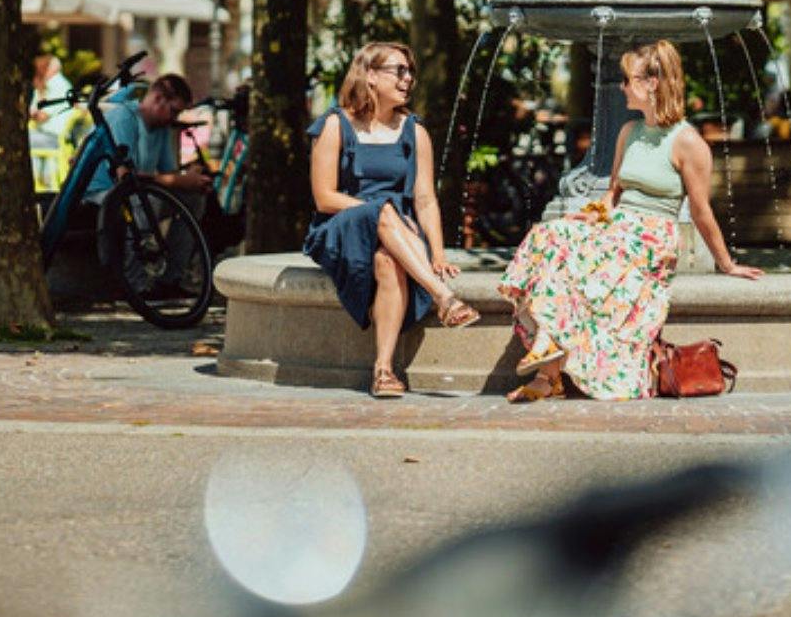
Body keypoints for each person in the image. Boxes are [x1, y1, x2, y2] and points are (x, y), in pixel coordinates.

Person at [498, 40, 763, 403]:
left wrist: (726, 263)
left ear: (652, 82)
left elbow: (701, 211)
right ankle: (550, 362)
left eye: (628, 79)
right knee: (548, 236)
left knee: (568, 263)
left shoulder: (688, 142)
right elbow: (613, 194)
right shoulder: (630, 132)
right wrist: (593, 215)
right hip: (618, 227)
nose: (622, 87)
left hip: (651, 238)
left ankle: (549, 372)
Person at [303, 42, 478, 400]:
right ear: (369, 75)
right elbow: (324, 196)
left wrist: (440, 255)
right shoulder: (336, 125)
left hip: (398, 234)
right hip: (344, 224)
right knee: (381, 210)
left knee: (387, 262)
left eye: (410, 71)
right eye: (399, 70)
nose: (408, 78)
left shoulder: (415, 131)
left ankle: (383, 371)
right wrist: (379, 212)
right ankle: (443, 298)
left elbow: (426, 199)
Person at [83, 72, 211, 204]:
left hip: (131, 191)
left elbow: (169, 172)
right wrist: (180, 181)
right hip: (100, 194)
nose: (175, 118)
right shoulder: (125, 118)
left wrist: (188, 177)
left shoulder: (162, 127)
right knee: (150, 202)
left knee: (195, 196)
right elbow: (126, 178)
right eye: (174, 111)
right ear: (157, 98)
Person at [28, 54, 74, 151]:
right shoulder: (49, 85)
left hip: (54, 137)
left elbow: (42, 116)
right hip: (49, 135)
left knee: (20, 140)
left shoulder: (56, 83)